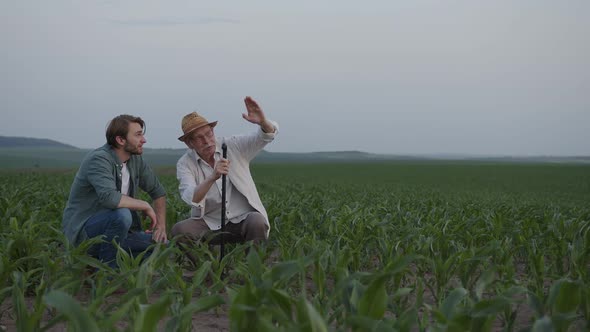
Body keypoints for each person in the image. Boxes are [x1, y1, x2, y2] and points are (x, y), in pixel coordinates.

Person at [171, 96, 278, 254]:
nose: (207, 141)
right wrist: (212, 177)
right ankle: (201, 271)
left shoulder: (233, 145)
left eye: (208, 134)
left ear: (213, 131)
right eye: (199, 138)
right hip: (210, 222)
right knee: (180, 230)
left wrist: (262, 122)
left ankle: (252, 269)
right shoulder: (185, 163)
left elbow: (265, 136)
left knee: (257, 221)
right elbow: (190, 197)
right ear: (189, 143)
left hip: (242, 218)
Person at [62, 115, 168, 269]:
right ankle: (108, 272)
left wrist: (161, 226)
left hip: (118, 234)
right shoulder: (99, 159)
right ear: (120, 140)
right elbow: (110, 198)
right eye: (138, 135)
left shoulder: (135, 160)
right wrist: (144, 205)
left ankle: (98, 263)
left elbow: (158, 192)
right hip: (86, 233)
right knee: (122, 214)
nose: (144, 140)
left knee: (163, 245)